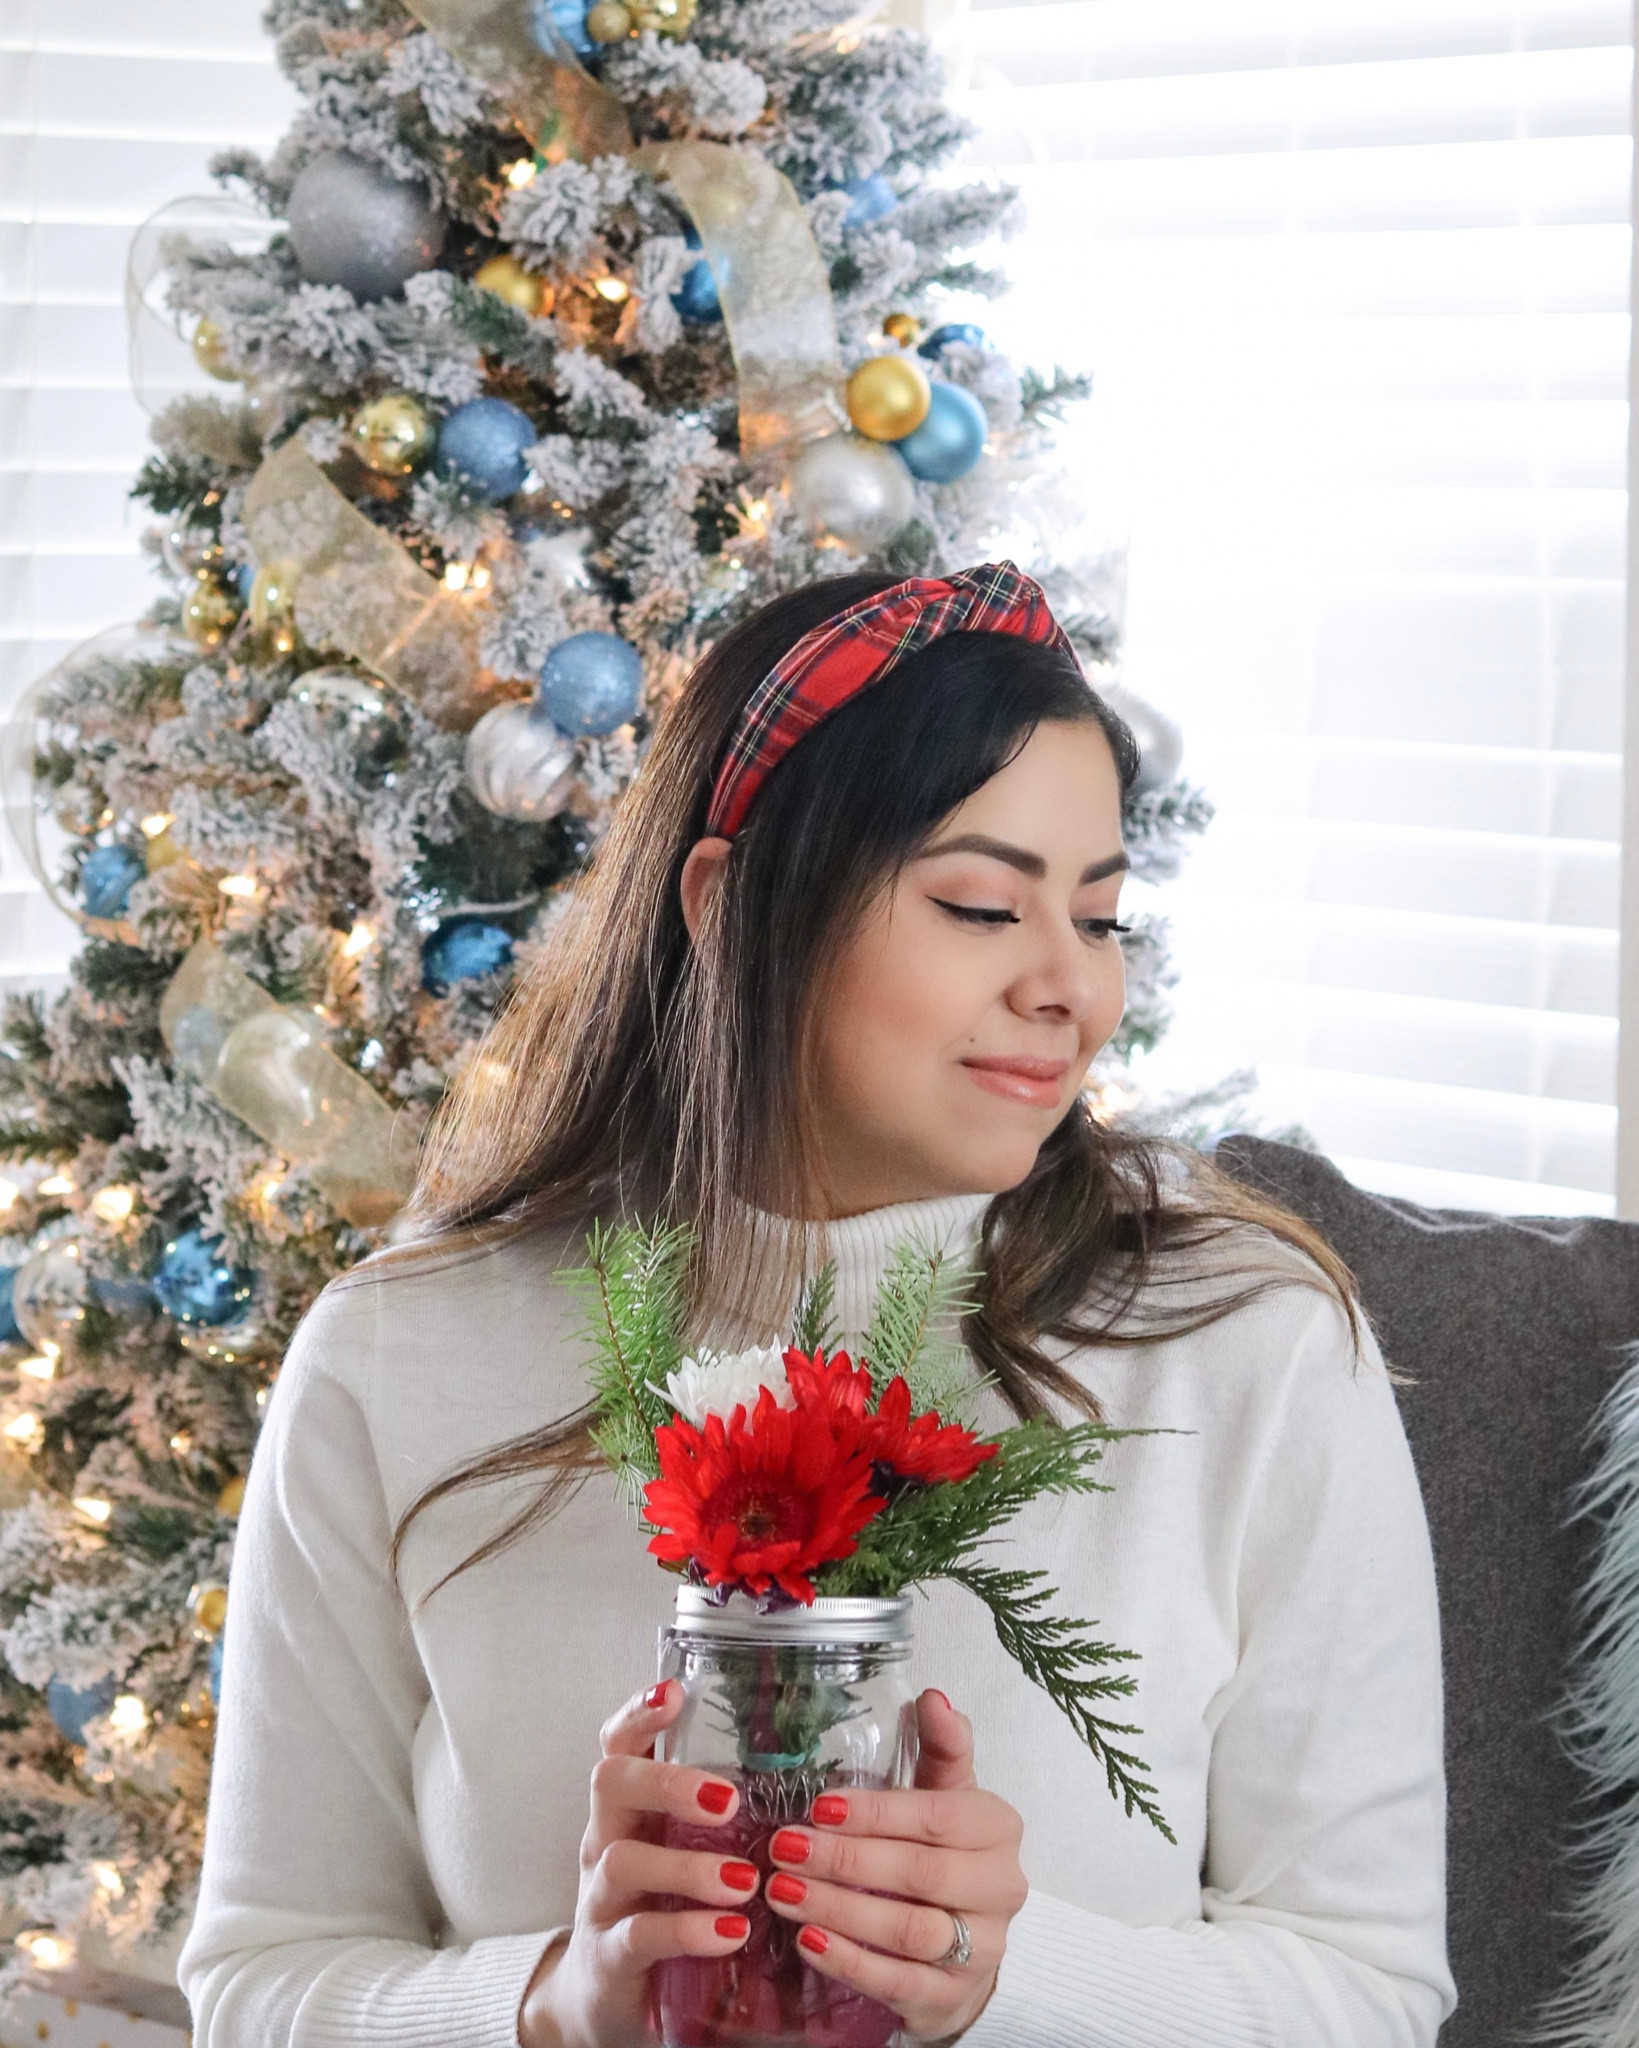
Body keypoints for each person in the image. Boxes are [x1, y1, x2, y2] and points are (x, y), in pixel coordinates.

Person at [177, 562, 1455, 2047]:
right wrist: (554, 2005)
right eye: (981, 905)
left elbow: (1368, 1992)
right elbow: (264, 1983)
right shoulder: (399, 1359)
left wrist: (1001, 1975)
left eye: (1099, 919)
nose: (1072, 990)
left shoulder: (1250, 1347)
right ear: (727, 905)